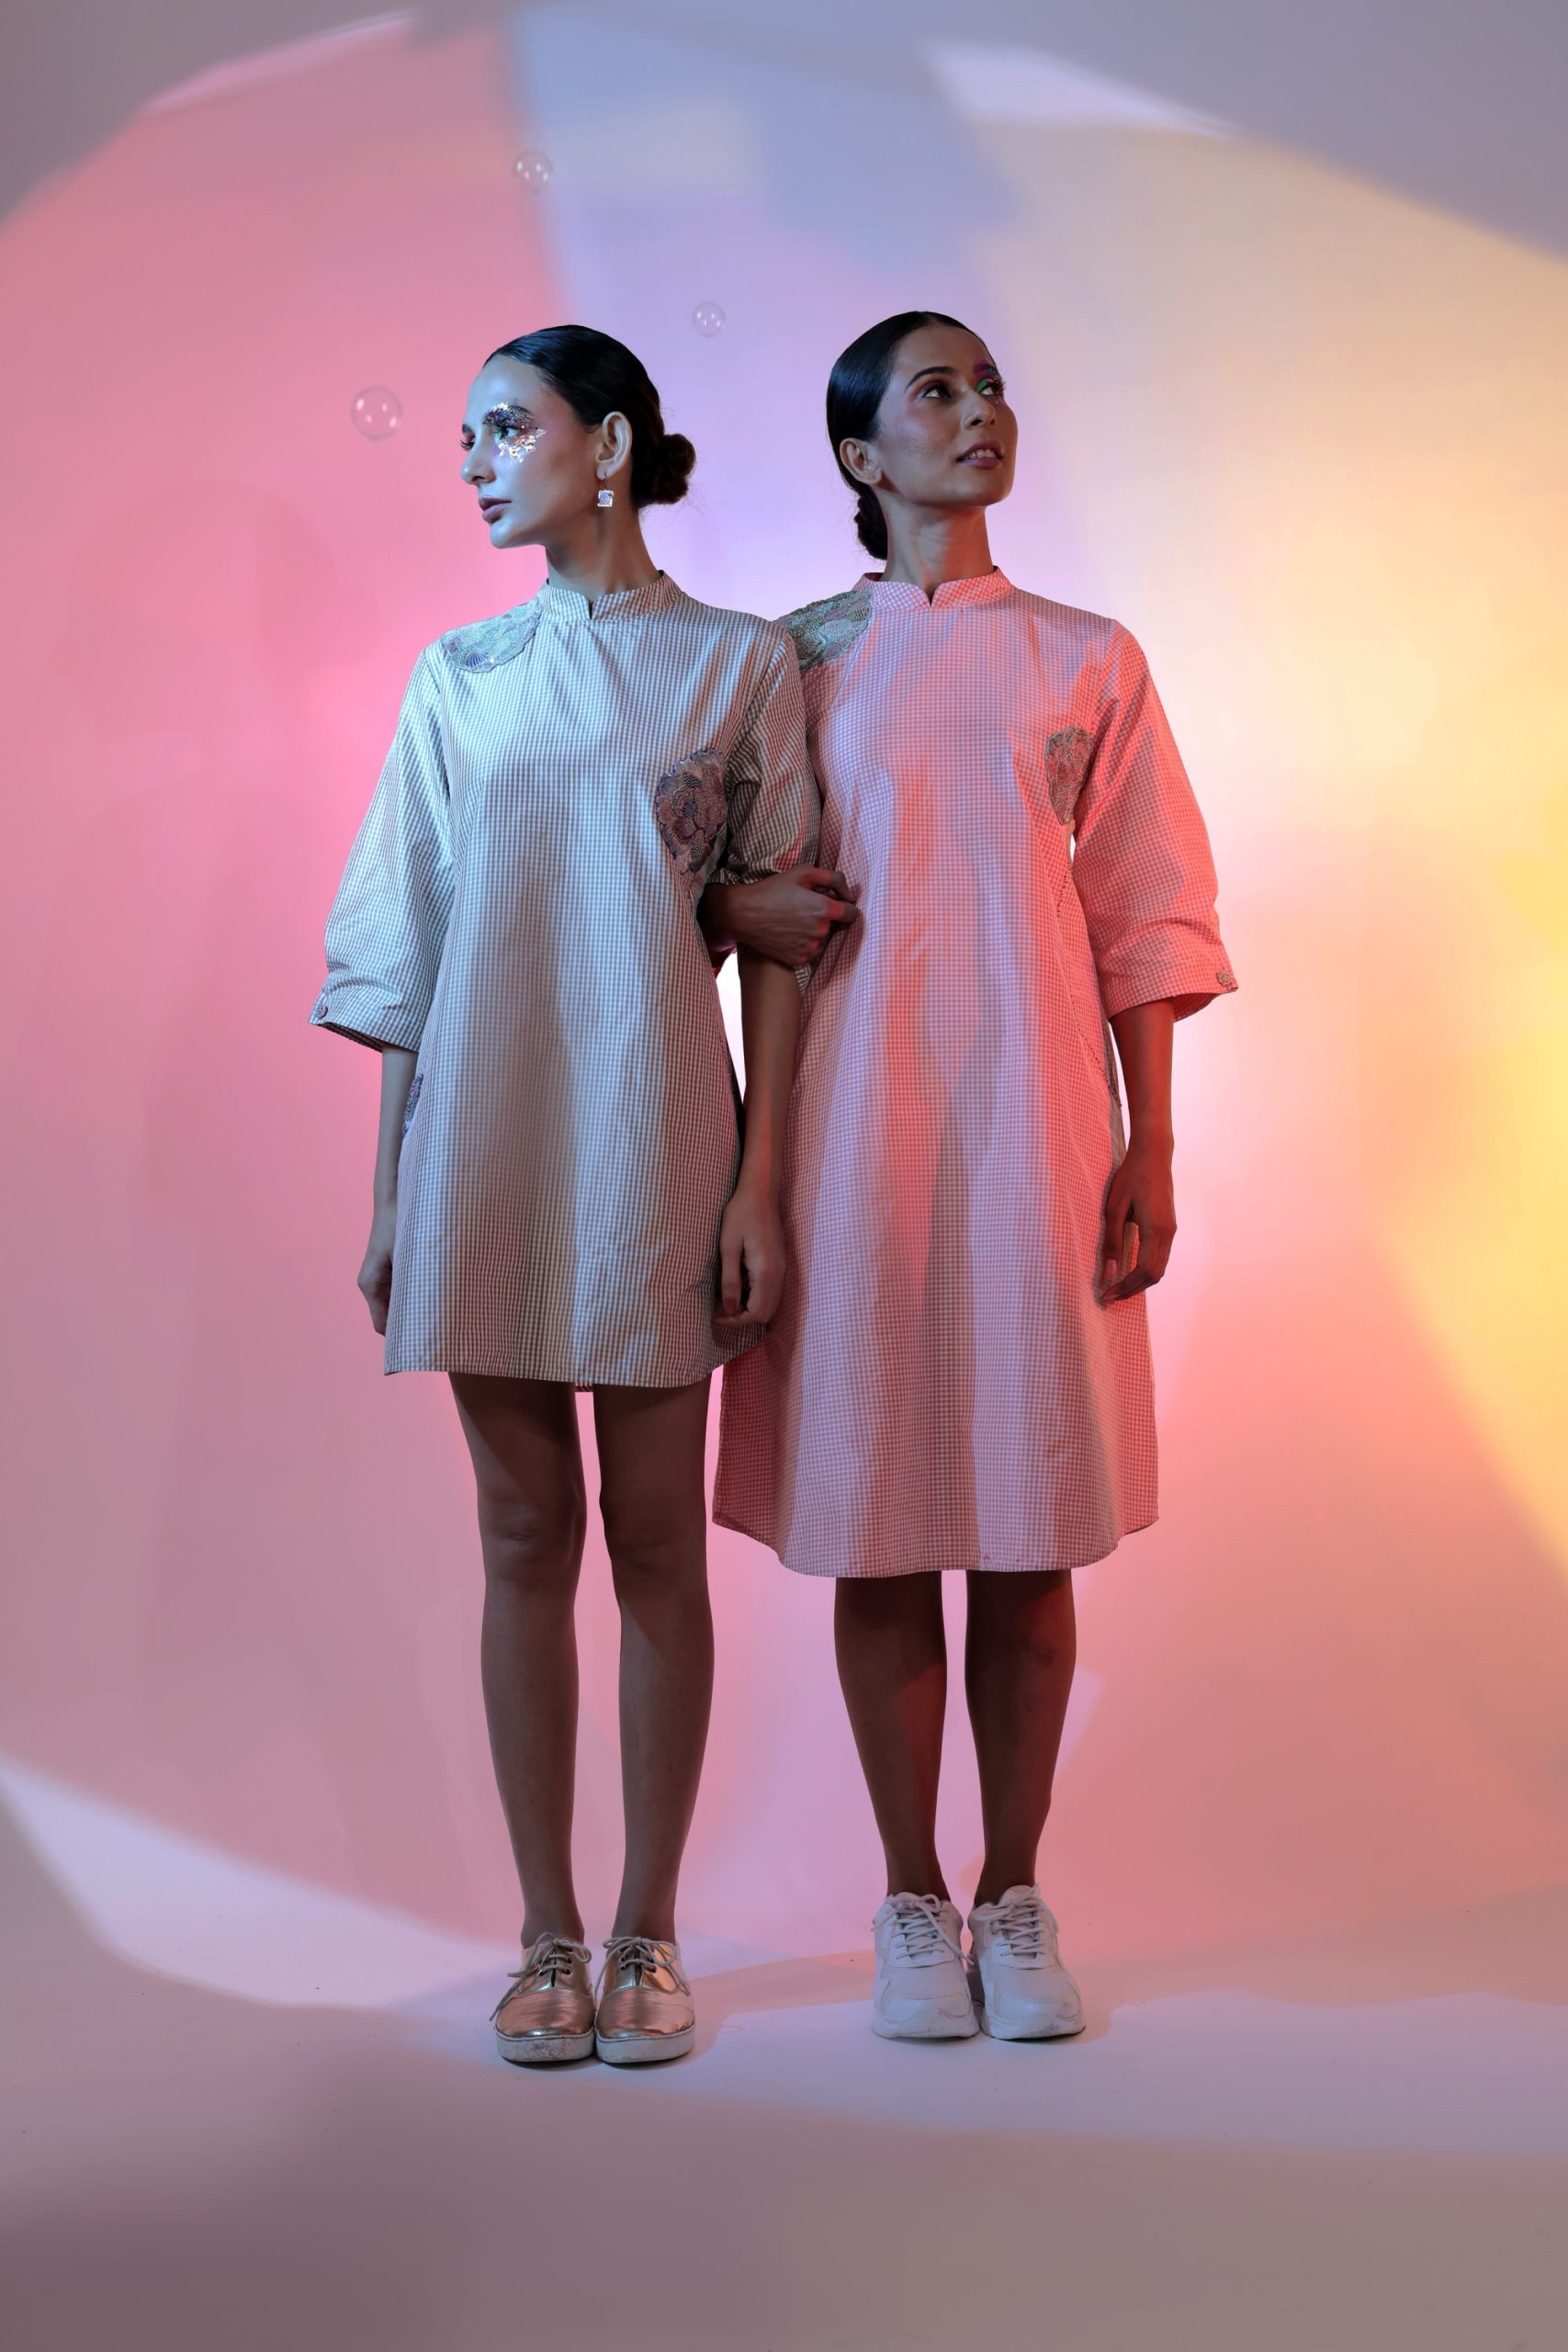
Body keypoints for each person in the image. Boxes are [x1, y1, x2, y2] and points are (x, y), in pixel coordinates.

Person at [704, 311, 1236, 2042]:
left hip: (1036, 1119)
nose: (980, 411)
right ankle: (908, 1899)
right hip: (848, 1121)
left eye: (990, 384)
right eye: (936, 391)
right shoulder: (790, 660)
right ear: (862, 456)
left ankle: (1015, 1890)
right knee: (878, 1520)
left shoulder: (1086, 656)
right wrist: (751, 1148)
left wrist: (1152, 1138)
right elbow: (731, 893)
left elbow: (1144, 909)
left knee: (1027, 1529)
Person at [310, 325, 825, 2066]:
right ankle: (543, 1938)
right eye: (462, 435)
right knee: (523, 1538)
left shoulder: (742, 663)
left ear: (605, 446)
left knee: (657, 1544)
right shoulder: (458, 675)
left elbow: (784, 933)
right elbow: (405, 944)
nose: (473, 461)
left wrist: (762, 1182)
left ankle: (648, 1932)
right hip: (486, 1135)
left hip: (661, 1132)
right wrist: (393, 1192)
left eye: (505, 428)